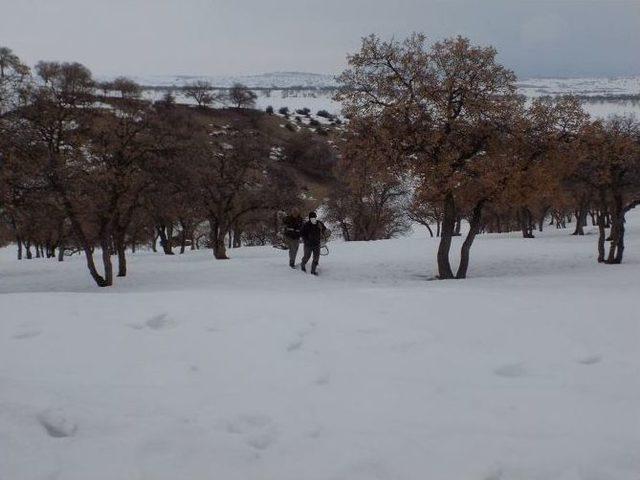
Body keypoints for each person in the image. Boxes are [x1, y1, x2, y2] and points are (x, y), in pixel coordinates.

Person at [300, 211, 327, 275]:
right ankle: (302, 265)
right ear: (309, 218)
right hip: (308, 245)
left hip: (317, 244)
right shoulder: (306, 225)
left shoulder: (319, 223)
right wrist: (306, 240)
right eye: (311, 217)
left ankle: (313, 271)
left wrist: (324, 234)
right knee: (306, 257)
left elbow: (324, 230)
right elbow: (301, 233)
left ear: (316, 217)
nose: (313, 218)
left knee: (316, 258)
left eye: (314, 217)